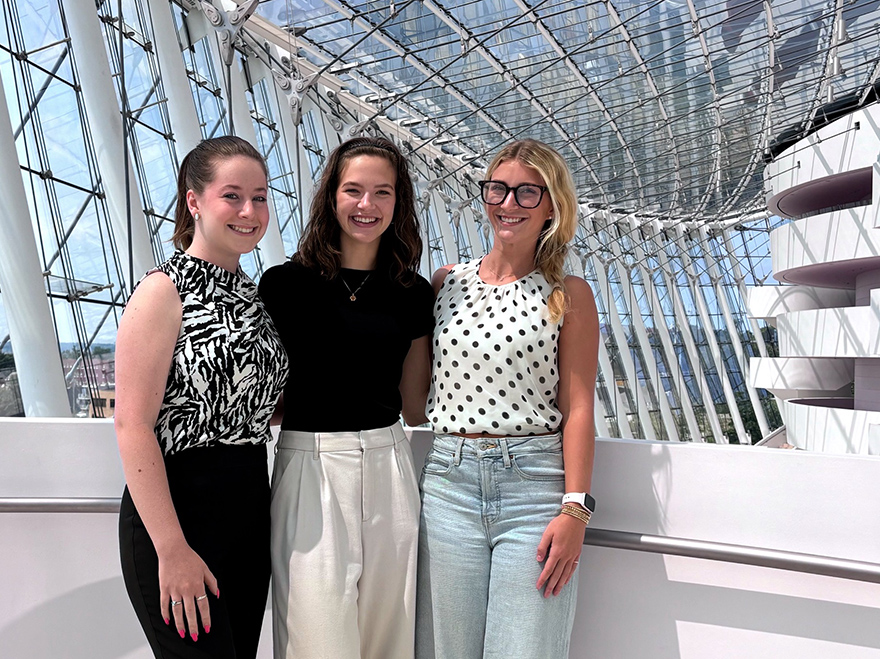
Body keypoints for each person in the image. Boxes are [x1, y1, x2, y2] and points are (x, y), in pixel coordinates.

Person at [415, 139, 600, 659]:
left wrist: (575, 511)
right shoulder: (445, 284)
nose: (508, 203)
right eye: (498, 188)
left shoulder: (568, 293)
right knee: (446, 650)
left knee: (524, 649)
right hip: (448, 486)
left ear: (551, 205)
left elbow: (579, 407)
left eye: (526, 192)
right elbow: (416, 394)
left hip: (534, 493)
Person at [258, 136, 433, 659]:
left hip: (389, 462)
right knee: (315, 639)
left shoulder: (414, 292)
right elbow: (268, 395)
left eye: (383, 192)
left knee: (389, 637)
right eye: (353, 190)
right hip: (309, 463)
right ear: (330, 197)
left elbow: (414, 404)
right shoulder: (285, 285)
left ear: (398, 203)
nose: (367, 205)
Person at [115, 136, 289, 658]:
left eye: (259, 197)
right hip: (178, 517)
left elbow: (258, 407)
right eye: (232, 195)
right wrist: (171, 548)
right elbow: (132, 425)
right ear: (194, 201)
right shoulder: (163, 291)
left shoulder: (256, 299)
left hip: (248, 511)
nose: (249, 211)